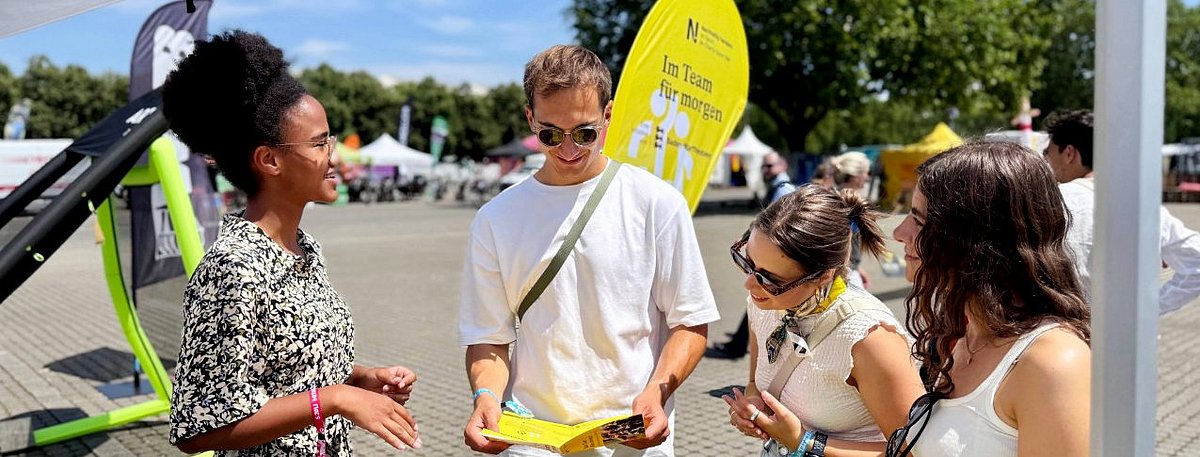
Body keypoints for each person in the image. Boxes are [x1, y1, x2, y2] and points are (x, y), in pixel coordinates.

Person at [163, 30, 420, 456]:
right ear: (270, 160)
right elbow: (197, 428)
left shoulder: (304, 249)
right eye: (320, 143)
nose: (334, 156)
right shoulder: (232, 269)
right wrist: (335, 400)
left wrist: (358, 380)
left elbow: (287, 373)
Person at [459, 44, 719, 456]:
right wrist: (486, 399)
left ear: (609, 116)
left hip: (630, 436)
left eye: (584, 132)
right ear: (530, 118)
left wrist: (657, 391)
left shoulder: (656, 203)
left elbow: (691, 323)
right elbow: (488, 337)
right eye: (549, 134)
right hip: (533, 438)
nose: (567, 149)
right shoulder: (495, 218)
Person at [890, 141, 1091, 456]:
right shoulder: (960, 333)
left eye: (919, 220)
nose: (899, 233)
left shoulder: (1051, 363)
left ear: (978, 240)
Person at [722, 186, 926, 456]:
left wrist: (805, 442)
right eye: (748, 262)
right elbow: (755, 384)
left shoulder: (869, 337)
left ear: (823, 276)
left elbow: (914, 451)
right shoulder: (765, 304)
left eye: (771, 279)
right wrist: (754, 405)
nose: (750, 284)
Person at [1043, 109, 1200, 314]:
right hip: (1126, 337)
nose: (1046, 160)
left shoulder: (1049, 202)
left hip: (1061, 336)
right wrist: (1149, 308)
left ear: (1069, 153)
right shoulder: (1142, 205)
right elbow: (1196, 263)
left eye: (1049, 152)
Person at [707, 151, 799, 360]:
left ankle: (741, 347)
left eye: (770, 166)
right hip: (773, 257)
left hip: (776, 259)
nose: (766, 170)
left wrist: (751, 242)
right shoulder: (777, 187)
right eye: (764, 166)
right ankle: (741, 345)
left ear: (782, 165)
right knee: (759, 300)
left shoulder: (783, 189)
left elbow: (774, 224)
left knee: (761, 300)